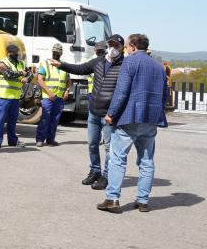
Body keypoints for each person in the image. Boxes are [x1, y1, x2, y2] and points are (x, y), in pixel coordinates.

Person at [97, 34, 169, 214]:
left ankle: (112, 198)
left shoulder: (130, 63)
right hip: (150, 119)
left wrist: (111, 113)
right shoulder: (159, 67)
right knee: (146, 160)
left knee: (117, 158)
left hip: (129, 118)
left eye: (127, 47)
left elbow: (121, 92)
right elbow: (165, 95)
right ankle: (143, 201)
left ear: (133, 46)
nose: (126, 50)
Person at [54, 34, 126, 190]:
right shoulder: (98, 61)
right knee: (92, 144)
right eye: (111, 45)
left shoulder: (124, 66)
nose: (113, 48)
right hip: (93, 111)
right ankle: (95, 171)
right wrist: (61, 65)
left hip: (109, 115)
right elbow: (80, 69)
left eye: (116, 46)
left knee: (109, 147)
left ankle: (106, 176)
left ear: (122, 48)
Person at [0, 43, 27, 149]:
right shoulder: (2, 63)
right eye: (14, 53)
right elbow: (8, 75)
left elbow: (29, 73)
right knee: (0, 119)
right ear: (9, 53)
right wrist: (21, 74)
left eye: (17, 53)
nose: (17, 55)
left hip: (15, 97)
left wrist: (27, 78)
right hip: (4, 96)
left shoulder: (21, 63)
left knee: (13, 120)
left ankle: (12, 140)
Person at [35, 42, 69, 146]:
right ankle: (40, 139)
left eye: (58, 53)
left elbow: (68, 80)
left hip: (59, 97)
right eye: (55, 52)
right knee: (45, 118)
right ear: (52, 52)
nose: (56, 54)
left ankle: (50, 139)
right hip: (48, 97)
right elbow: (40, 79)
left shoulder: (63, 65)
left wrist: (67, 91)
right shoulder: (45, 63)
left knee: (55, 119)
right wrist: (49, 92)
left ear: (61, 53)